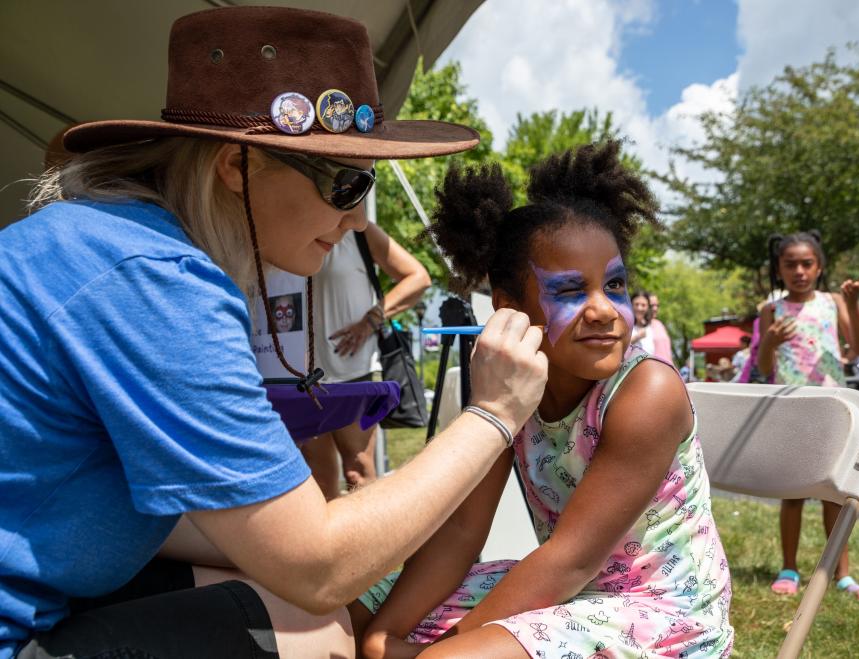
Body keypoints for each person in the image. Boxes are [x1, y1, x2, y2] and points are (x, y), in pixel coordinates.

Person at [0, 7, 549, 659]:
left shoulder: (101, 240)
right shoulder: (158, 280)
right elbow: (318, 567)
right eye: (347, 182)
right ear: (236, 165)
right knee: (317, 627)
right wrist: (492, 413)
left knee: (293, 600)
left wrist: (306, 540)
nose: (354, 219)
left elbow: (211, 527)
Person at [350, 143, 734, 658]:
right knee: (352, 607)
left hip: (662, 616)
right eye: (572, 291)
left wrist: (436, 648)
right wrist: (382, 634)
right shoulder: (512, 386)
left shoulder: (647, 392)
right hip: (571, 594)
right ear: (508, 306)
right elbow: (463, 530)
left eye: (614, 285)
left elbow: (570, 560)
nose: (604, 310)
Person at [756, 231, 859, 602]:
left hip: (833, 412)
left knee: (835, 494)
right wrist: (769, 343)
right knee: (792, 495)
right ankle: (789, 567)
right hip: (791, 411)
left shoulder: (833, 302)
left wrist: (854, 304)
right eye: (790, 263)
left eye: (806, 263)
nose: (799, 270)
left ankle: (841, 573)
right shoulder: (770, 309)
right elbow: (764, 368)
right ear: (778, 268)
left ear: (819, 267)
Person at [301, 219, 431, 498]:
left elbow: (418, 277)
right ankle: (326, 543)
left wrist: (371, 320)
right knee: (316, 478)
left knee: (358, 471)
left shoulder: (358, 230)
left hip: (354, 371)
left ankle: (375, 541)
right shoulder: (283, 229)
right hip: (299, 375)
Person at [646, 292, 675, 364]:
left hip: (668, 369)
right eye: (652, 305)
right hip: (653, 369)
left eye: (657, 305)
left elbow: (667, 352)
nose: (655, 308)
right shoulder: (641, 326)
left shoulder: (660, 324)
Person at [630, 289, 656, 353]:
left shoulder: (651, 326)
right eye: (636, 304)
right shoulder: (625, 324)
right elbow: (620, 346)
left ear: (648, 307)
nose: (639, 308)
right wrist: (637, 337)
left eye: (643, 305)